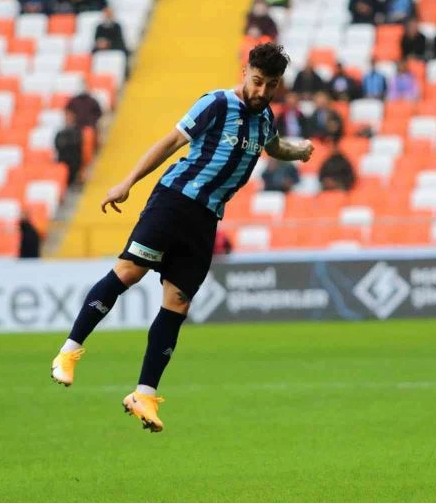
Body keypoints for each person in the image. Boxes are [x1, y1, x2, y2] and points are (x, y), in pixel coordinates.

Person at [50, 43, 315, 433]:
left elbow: (276, 148)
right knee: (129, 272)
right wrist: (127, 183)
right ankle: (69, 351)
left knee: (177, 303)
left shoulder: (265, 120)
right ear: (245, 72)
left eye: (271, 85)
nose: (262, 91)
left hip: (206, 219)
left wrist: (300, 151)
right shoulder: (216, 104)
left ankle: (143, 394)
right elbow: (170, 142)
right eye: (257, 81)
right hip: (174, 201)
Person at [54, 110, 83, 186]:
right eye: (66, 118)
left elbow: (76, 143)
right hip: (63, 158)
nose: (68, 119)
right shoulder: (60, 132)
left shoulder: (77, 131)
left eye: (69, 118)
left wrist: (65, 143)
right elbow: (57, 144)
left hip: (74, 160)